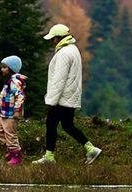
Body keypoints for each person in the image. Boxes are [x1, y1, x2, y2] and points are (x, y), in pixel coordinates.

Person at [32, 24, 102, 165]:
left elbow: (59, 80)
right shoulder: (73, 50)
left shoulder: (64, 53)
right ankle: (90, 148)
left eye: (53, 39)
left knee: (51, 124)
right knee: (67, 126)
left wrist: (50, 101)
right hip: (70, 97)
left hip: (61, 98)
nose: (52, 42)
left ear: (59, 38)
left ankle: (49, 157)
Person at [0, 55, 27, 166]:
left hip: (11, 113)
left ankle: (16, 156)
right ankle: (12, 150)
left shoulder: (15, 82)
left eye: (4, 67)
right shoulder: (9, 81)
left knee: (10, 134)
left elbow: (20, 96)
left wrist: (17, 110)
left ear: (11, 69)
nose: (1, 69)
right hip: (4, 112)